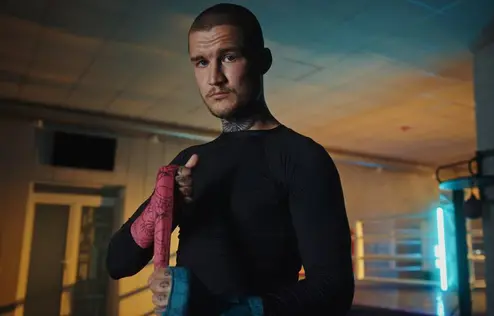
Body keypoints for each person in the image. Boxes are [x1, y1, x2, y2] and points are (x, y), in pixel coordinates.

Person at [106, 3, 355, 316]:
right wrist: (162, 206)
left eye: (228, 57)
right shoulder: (190, 161)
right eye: (200, 62)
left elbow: (333, 289)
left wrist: (225, 310)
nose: (214, 78)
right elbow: (117, 263)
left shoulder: (301, 157)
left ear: (262, 61)